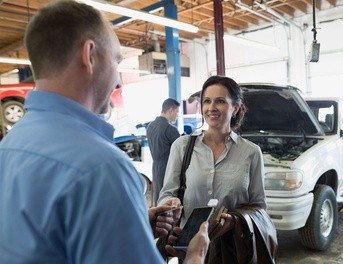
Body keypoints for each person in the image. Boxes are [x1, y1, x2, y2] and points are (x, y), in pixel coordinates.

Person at [0, 1, 208, 263]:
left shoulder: (11, 143)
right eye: (116, 60)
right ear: (89, 54)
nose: (118, 78)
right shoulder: (102, 168)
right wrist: (195, 256)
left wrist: (129, 220)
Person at [158, 75, 278, 263]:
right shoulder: (182, 147)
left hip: (235, 250)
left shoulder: (251, 152)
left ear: (235, 107)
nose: (211, 107)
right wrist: (170, 205)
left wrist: (233, 221)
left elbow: (259, 207)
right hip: (190, 247)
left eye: (220, 101)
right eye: (207, 101)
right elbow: (166, 194)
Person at [147, 98, 181, 206]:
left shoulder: (150, 126)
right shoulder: (170, 129)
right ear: (170, 110)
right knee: (169, 198)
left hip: (155, 167)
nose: (177, 115)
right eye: (177, 112)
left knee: (159, 196)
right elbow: (181, 151)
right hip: (169, 168)